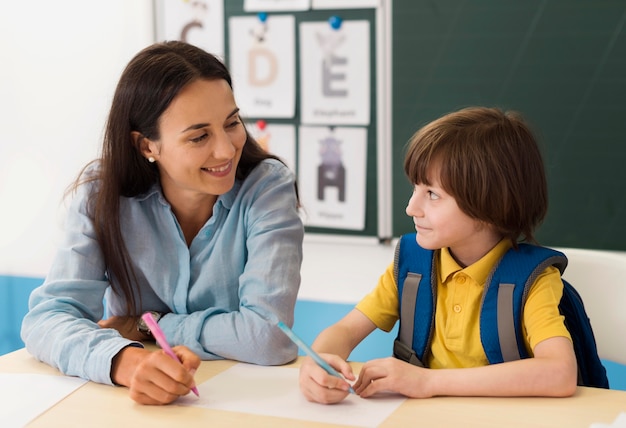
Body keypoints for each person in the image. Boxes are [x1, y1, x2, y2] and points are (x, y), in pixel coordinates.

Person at [21, 41, 304, 405]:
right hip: (134, 407)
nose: (227, 148)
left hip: (240, 404)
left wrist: (145, 326)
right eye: (199, 136)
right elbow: (48, 319)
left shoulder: (266, 186)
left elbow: (270, 336)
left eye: (232, 123)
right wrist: (125, 359)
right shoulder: (101, 195)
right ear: (146, 146)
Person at [299, 106, 578, 404]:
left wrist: (429, 381)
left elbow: (560, 373)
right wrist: (319, 362)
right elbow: (345, 329)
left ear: (489, 207)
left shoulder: (532, 280)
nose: (411, 207)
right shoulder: (412, 263)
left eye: (432, 194)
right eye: (415, 188)